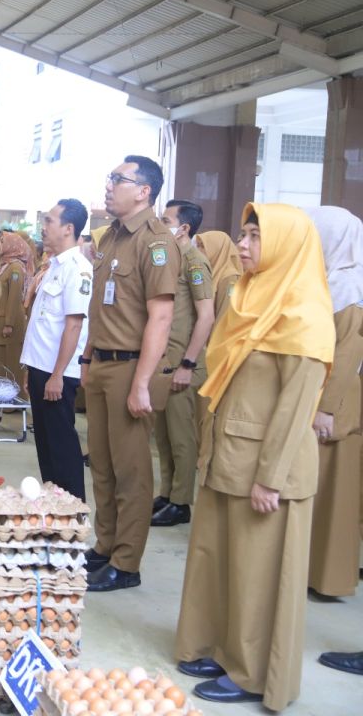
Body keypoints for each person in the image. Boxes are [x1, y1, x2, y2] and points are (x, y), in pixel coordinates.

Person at [174, 203, 334, 709]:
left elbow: (295, 408)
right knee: (219, 563)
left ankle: (252, 672)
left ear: (286, 245)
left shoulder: (304, 313)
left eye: (255, 237)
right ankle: (217, 647)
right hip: (230, 454)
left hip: (268, 469)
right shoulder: (248, 296)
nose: (243, 246)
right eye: (243, 235)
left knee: (258, 576)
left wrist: (272, 478)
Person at [80, 155, 179, 593]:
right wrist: (86, 357)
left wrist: (142, 382)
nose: (109, 185)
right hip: (102, 362)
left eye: (118, 179)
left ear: (144, 191)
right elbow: (100, 306)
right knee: (101, 464)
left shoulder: (156, 242)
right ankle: (105, 545)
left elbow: (160, 318)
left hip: (129, 368)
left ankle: (127, 561)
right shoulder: (112, 237)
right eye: (110, 177)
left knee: (131, 470)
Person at [306, 206, 363, 599]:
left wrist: (327, 408)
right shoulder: (329, 279)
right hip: (325, 395)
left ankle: (331, 579)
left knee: (336, 496)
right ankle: (314, 573)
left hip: (338, 403)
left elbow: (348, 354)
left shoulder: (348, 286)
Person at [22, 199, 92, 502]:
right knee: (47, 448)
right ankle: (53, 508)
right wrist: (32, 371)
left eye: (49, 221)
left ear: (68, 228)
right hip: (42, 369)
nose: (43, 227)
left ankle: (72, 511)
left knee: (62, 447)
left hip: (57, 374)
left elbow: (73, 326)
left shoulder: (77, 269)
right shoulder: (53, 265)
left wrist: (57, 375)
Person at [152, 199, 216, 528]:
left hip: (183, 364)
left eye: (165, 220)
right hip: (164, 362)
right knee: (163, 436)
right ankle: (166, 493)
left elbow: (206, 316)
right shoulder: (171, 260)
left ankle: (181, 502)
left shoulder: (194, 261)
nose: (159, 224)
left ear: (184, 228)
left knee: (181, 437)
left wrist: (188, 364)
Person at [0, 232, 31, 387]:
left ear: (12, 246)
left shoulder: (15, 268)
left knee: (10, 362)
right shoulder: (3, 265)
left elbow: (14, 298)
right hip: (0, 321)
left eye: (2, 242)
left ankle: (12, 400)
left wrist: (9, 323)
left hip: (9, 323)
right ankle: (0, 397)